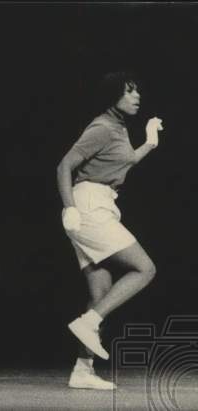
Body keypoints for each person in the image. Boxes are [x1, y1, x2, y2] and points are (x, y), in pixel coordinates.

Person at [57, 71, 162, 390]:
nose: (136, 96)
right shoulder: (102, 127)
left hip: (101, 203)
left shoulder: (118, 128)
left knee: (101, 295)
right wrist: (70, 206)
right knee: (144, 269)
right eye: (129, 92)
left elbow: (124, 163)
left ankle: (82, 370)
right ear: (112, 96)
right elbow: (64, 166)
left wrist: (150, 143)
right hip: (88, 206)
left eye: (137, 91)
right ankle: (88, 322)